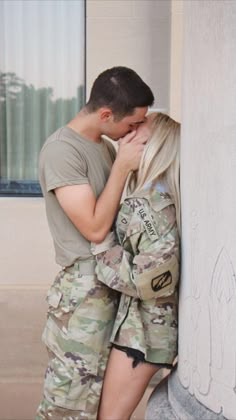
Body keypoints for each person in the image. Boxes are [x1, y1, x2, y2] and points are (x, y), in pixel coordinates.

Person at [36, 66, 154, 419]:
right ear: (106, 115)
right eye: (132, 124)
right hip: (84, 292)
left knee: (99, 395)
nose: (133, 132)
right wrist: (122, 168)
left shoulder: (102, 145)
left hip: (111, 280)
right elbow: (94, 228)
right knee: (69, 403)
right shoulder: (61, 151)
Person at [91, 112, 181, 420]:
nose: (128, 133)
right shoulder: (156, 197)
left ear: (152, 145)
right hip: (144, 336)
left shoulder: (147, 205)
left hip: (141, 339)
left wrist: (100, 242)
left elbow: (147, 281)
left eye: (138, 129)